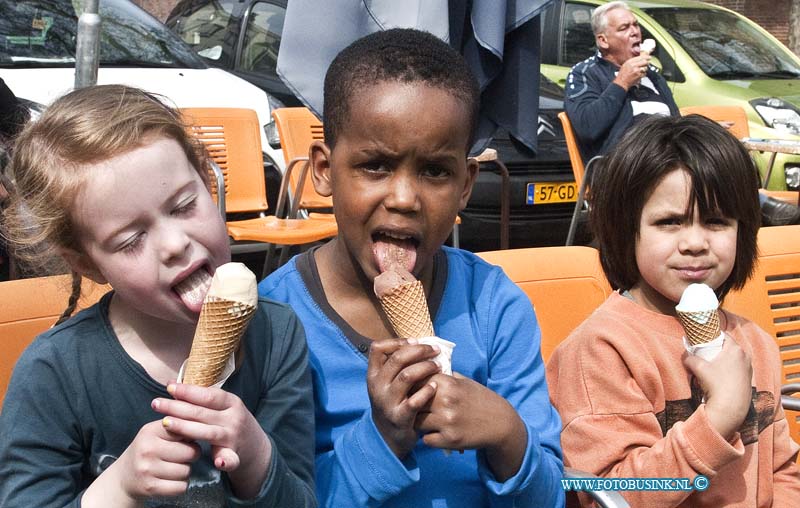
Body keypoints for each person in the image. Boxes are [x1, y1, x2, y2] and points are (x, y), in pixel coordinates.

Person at [259, 28, 564, 507]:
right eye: (375, 165)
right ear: (323, 169)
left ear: (466, 184)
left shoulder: (492, 304)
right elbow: (274, 497)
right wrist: (381, 438)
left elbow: (550, 497)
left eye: (435, 172)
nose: (404, 199)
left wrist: (508, 434)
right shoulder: (273, 322)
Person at [0, 84, 316, 507]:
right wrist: (119, 488)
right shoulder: (55, 372)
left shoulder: (277, 335)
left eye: (184, 205)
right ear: (88, 264)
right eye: (131, 240)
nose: (174, 244)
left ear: (207, 182)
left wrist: (256, 454)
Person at [547, 114, 800, 507]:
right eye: (669, 222)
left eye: (716, 222)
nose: (695, 243)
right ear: (626, 231)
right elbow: (611, 493)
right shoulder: (602, 349)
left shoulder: (755, 344)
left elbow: (781, 469)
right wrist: (718, 419)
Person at [565, 0, 800, 227]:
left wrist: (700, 127)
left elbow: (674, 123)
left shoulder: (653, 76)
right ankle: (756, 206)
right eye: (624, 28)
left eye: (636, 25)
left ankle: (749, 217)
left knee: (723, 152)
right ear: (603, 41)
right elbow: (587, 127)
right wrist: (621, 82)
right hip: (620, 166)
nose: (635, 32)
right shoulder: (585, 74)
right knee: (695, 169)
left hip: (666, 158)